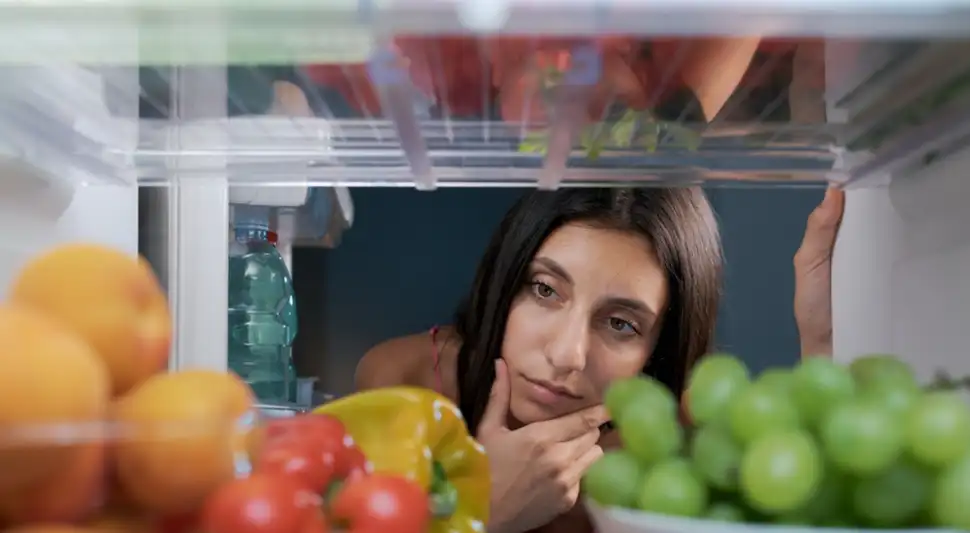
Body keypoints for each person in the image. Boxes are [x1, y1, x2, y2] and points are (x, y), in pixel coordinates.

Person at [355, 187, 844, 533]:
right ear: (505, 279)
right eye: (545, 290)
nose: (567, 355)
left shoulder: (677, 436)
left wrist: (819, 338)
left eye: (621, 324)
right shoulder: (407, 383)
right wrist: (482, 511)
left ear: (659, 349)